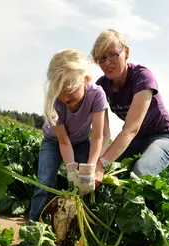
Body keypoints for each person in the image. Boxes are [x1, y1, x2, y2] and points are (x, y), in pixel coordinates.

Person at [90, 29, 169, 183]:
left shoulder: (142, 77)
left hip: (163, 136)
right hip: (136, 140)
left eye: (112, 55)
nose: (107, 63)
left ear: (126, 52)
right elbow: (103, 134)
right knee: (111, 173)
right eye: (101, 58)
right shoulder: (101, 86)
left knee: (140, 172)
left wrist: (102, 164)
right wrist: (96, 164)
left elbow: (131, 129)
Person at [28, 49, 109, 222]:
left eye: (70, 90)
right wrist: (71, 168)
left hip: (80, 142)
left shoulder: (97, 95)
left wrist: (90, 167)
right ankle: (34, 232)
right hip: (53, 142)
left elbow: (97, 137)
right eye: (60, 91)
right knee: (45, 182)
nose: (65, 96)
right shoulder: (56, 101)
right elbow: (63, 141)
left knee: (89, 184)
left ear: (85, 80)